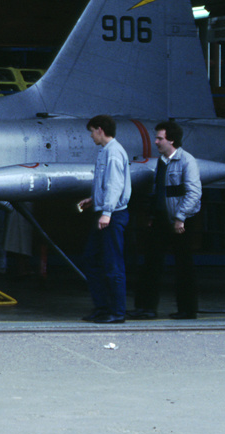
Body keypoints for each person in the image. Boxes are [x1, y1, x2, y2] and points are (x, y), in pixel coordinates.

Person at [130, 120, 202, 320]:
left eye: (160, 138)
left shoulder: (187, 161)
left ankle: (188, 310)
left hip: (181, 221)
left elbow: (194, 192)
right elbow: (159, 192)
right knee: (151, 264)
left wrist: (180, 217)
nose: (156, 142)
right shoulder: (162, 162)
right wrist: (153, 215)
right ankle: (146, 308)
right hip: (162, 219)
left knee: (184, 266)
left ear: (171, 140)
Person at [76, 114, 132, 324]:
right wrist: (95, 199)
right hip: (105, 212)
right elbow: (108, 184)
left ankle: (117, 312)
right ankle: (103, 307)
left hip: (112, 216)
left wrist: (107, 211)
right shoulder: (105, 152)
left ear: (100, 129)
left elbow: (115, 185)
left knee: (112, 264)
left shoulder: (114, 153)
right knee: (91, 259)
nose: (91, 136)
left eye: (91, 131)